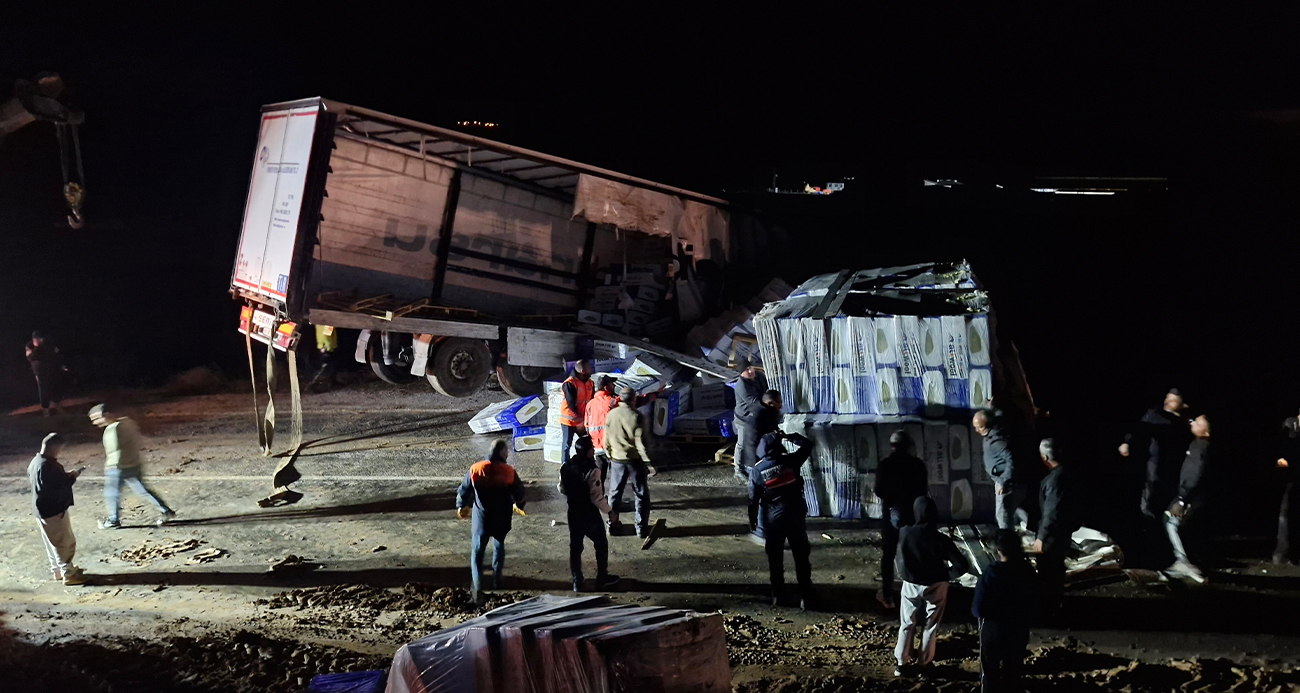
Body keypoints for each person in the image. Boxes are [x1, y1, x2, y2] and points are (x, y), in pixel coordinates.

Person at [894, 496, 971, 677]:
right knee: (930, 625)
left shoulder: (906, 534)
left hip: (911, 584)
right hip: (936, 585)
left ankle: (901, 664)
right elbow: (961, 565)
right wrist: (946, 576)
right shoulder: (940, 539)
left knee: (907, 623)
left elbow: (900, 561)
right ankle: (924, 664)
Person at [748, 430, 815, 609]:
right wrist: (789, 436)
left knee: (775, 559)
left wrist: (753, 521)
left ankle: (779, 596)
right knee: (801, 557)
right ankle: (806, 597)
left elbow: (753, 499)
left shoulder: (757, 470)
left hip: (774, 521)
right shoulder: (791, 461)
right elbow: (808, 445)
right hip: (795, 517)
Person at [456, 439, 527, 602]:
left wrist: (462, 505)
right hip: (502, 516)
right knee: (499, 544)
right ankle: (498, 579)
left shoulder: (476, 468)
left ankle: (478, 585)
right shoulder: (508, 471)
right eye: (507, 451)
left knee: (477, 551)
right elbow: (520, 493)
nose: (508, 454)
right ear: (502, 453)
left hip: (482, 517)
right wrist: (520, 505)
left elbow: (464, 489)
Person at [973, 531, 1038, 693]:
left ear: (998, 549)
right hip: (1018, 628)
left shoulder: (991, 573)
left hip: (993, 629)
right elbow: (1036, 599)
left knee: (989, 671)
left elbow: (978, 608)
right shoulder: (1027, 571)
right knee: (1014, 669)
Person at [91, 404, 175, 529]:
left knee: (111, 493)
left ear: (107, 414)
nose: (95, 423)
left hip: (117, 467)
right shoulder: (128, 422)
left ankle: (113, 520)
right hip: (134, 463)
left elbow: (115, 451)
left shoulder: (112, 429)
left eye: (97, 418)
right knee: (142, 490)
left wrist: (110, 467)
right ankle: (166, 511)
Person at [874, 430, 929, 609]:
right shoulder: (918, 465)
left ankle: (888, 596)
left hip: (892, 513)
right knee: (912, 552)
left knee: (889, 554)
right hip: (913, 513)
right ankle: (916, 595)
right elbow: (923, 490)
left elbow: (879, 490)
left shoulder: (885, 465)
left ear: (892, 446)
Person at [559, 435, 620, 592]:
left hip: (573, 512)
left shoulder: (566, 466)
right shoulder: (593, 470)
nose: (594, 450)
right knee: (601, 544)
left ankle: (576, 581)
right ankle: (602, 579)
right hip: (589, 514)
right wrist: (610, 512)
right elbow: (597, 498)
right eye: (592, 448)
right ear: (588, 452)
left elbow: (561, 488)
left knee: (576, 547)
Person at [1120, 388, 1192, 518]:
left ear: (1183, 405)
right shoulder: (1155, 413)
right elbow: (1139, 427)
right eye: (1167, 398)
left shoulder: (1186, 421)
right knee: (1151, 489)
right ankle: (1147, 517)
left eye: (1173, 400)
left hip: (1178, 464)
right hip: (1156, 461)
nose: (1168, 402)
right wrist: (1126, 442)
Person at [29, 433, 87, 585]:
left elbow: (47, 484)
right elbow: (59, 488)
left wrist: (64, 476)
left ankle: (57, 571)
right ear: (54, 447)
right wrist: (72, 477)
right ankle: (69, 574)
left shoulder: (35, 462)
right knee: (63, 543)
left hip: (41, 510)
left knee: (52, 543)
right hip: (53, 511)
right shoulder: (49, 465)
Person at [1033, 438, 1079, 614]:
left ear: (1044, 457)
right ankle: (1054, 603)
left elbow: (1051, 512)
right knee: (1055, 569)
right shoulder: (1065, 474)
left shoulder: (1054, 481)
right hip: (1062, 530)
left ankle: (1049, 607)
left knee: (1048, 570)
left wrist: (1042, 537)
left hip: (1053, 534)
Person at [1164, 415, 1211, 584]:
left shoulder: (1201, 447)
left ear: (1205, 430)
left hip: (1191, 496)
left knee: (1171, 522)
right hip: (1192, 495)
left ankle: (1184, 563)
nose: (1192, 423)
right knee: (1182, 527)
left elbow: (1195, 474)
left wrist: (1182, 500)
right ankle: (1190, 564)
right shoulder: (1198, 444)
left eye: (1198, 423)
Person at [604, 386, 653, 537]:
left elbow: (606, 439)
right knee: (641, 494)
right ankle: (641, 528)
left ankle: (611, 525)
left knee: (614, 494)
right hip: (634, 461)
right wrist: (648, 463)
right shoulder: (636, 416)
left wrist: (610, 454)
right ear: (634, 399)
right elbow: (641, 444)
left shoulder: (611, 414)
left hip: (617, 460)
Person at [973, 409, 1032, 531]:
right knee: (1015, 508)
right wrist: (992, 406)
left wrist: (1003, 481)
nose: (976, 431)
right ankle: (1032, 529)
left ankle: (1007, 541)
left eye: (980, 427)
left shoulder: (997, 441)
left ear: (988, 425)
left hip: (1007, 483)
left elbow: (1012, 461)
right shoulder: (996, 428)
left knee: (1002, 515)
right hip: (1009, 481)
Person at [733, 359, 769, 480]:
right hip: (744, 418)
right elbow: (754, 402)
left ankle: (757, 466)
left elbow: (768, 389)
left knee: (758, 441)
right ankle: (738, 470)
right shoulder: (741, 386)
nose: (750, 371)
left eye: (750, 368)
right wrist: (771, 403)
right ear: (741, 374)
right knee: (742, 444)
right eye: (746, 370)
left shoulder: (759, 376)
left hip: (757, 415)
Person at [1275, 411, 1300, 565]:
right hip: (1289, 476)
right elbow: (1280, 445)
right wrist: (1280, 460)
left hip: (1297, 474)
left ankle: (1292, 553)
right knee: (1286, 513)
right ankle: (1282, 553)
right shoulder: (1290, 424)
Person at [583, 374, 618, 481]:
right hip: (611, 445)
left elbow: (586, 425)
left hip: (596, 446)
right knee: (616, 477)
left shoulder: (590, 404)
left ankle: (599, 496)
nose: (614, 385)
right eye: (612, 384)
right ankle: (613, 497)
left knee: (599, 476)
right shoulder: (612, 401)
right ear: (606, 387)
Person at [559, 360, 595, 464]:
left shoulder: (590, 383)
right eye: (589, 369)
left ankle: (587, 464)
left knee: (587, 444)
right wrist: (580, 421)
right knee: (567, 445)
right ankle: (565, 467)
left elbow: (591, 402)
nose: (591, 371)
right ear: (582, 371)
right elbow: (571, 405)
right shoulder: (569, 384)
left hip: (582, 421)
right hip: (569, 421)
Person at [25, 331, 67, 416]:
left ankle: (57, 406)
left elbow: (56, 355)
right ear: (34, 339)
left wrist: (61, 365)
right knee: (43, 390)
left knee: (55, 387)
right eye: (39, 339)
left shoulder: (48, 344)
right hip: (40, 372)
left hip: (51, 369)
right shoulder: (30, 346)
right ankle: (45, 409)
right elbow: (31, 357)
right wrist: (37, 347)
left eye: (41, 338)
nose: (41, 340)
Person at [308, 324, 341, 392]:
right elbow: (327, 336)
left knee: (329, 366)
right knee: (324, 367)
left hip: (323, 347)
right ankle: (313, 384)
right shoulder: (327, 324)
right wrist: (327, 347)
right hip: (327, 348)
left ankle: (332, 382)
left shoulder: (319, 324)